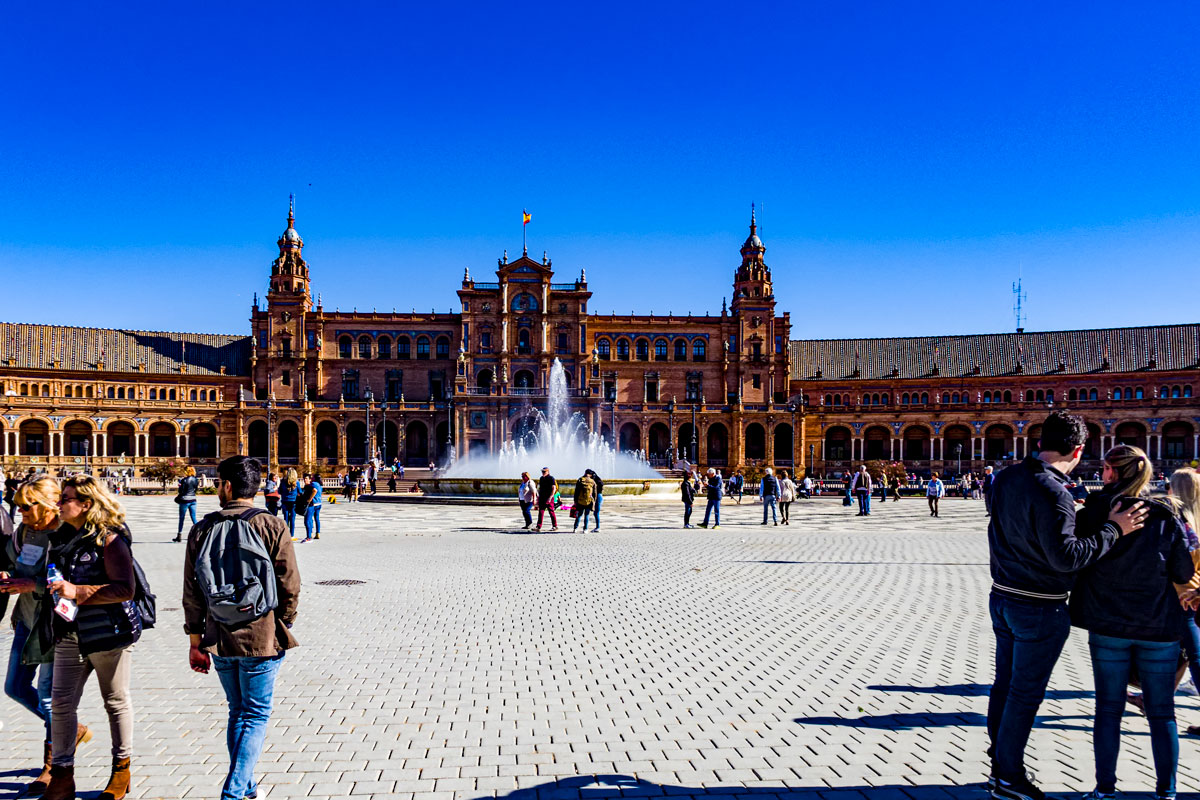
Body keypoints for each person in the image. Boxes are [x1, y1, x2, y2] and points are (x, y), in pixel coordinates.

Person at [986, 411, 1148, 800]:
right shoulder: (1054, 492)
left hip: (1003, 597)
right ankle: (1007, 779)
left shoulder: (1006, 477)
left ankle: (1000, 763)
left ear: (1040, 442)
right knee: (1024, 695)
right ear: (1077, 449)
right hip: (1040, 607)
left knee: (1005, 686)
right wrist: (1114, 529)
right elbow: (1067, 558)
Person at [1070, 446, 1194, 800]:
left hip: (1108, 624)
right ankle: (1167, 792)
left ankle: (1105, 789)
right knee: (1161, 712)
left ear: (1110, 471)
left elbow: (1077, 558)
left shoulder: (1095, 510)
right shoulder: (1167, 512)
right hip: (1159, 626)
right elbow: (1183, 570)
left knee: (1108, 709)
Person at [183, 455, 300, 800]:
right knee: (255, 715)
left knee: (239, 712)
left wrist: (195, 641)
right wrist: (283, 622)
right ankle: (233, 793)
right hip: (262, 635)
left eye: (218, 482)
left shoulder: (201, 528)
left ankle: (247, 788)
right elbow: (290, 584)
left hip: (218, 637)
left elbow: (192, 593)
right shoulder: (272, 526)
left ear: (228, 486)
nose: (217, 488)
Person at [43, 475, 139, 800]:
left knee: (114, 702)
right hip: (68, 631)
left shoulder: (111, 540)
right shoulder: (59, 538)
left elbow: (126, 588)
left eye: (66, 498)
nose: (60, 503)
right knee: (60, 704)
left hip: (107, 633)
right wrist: (29, 584)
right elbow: (55, 580)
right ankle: (62, 775)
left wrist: (78, 590)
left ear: (85, 504)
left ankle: (121, 771)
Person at [1, 477, 91, 796]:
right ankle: (70, 730)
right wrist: (7, 574)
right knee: (14, 686)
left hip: (56, 624)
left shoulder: (66, 535)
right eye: (19, 505)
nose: (21, 510)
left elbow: (72, 580)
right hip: (26, 619)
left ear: (48, 504)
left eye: (27, 505)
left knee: (50, 698)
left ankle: (53, 766)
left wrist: (33, 585)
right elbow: (14, 562)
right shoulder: (25, 531)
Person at [1165, 468, 1200, 737]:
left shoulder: (1180, 521)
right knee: (1184, 652)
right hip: (1195, 592)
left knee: (1195, 655)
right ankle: (1156, 697)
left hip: (1184, 594)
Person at [174, 466, 199, 542]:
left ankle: (179, 535)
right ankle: (199, 534)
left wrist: (179, 486)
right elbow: (195, 489)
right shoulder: (196, 480)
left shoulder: (184, 480)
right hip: (193, 499)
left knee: (182, 518)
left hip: (185, 500)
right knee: (194, 517)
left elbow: (181, 491)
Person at [280, 469, 298, 540]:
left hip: (285, 501)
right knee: (292, 518)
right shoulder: (296, 483)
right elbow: (300, 491)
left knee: (286, 518)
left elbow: (279, 491)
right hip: (293, 502)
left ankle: (285, 534)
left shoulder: (283, 482)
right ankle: (292, 534)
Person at [293, 475, 311, 542]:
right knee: (307, 521)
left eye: (306, 478)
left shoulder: (309, 486)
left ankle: (309, 537)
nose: (305, 480)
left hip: (310, 506)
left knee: (307, 521)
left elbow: (315, 491)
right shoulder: (306, 486)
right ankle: (309, 535)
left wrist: (310, 499)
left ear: (310, 479)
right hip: (307, 505)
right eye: (304, 479)